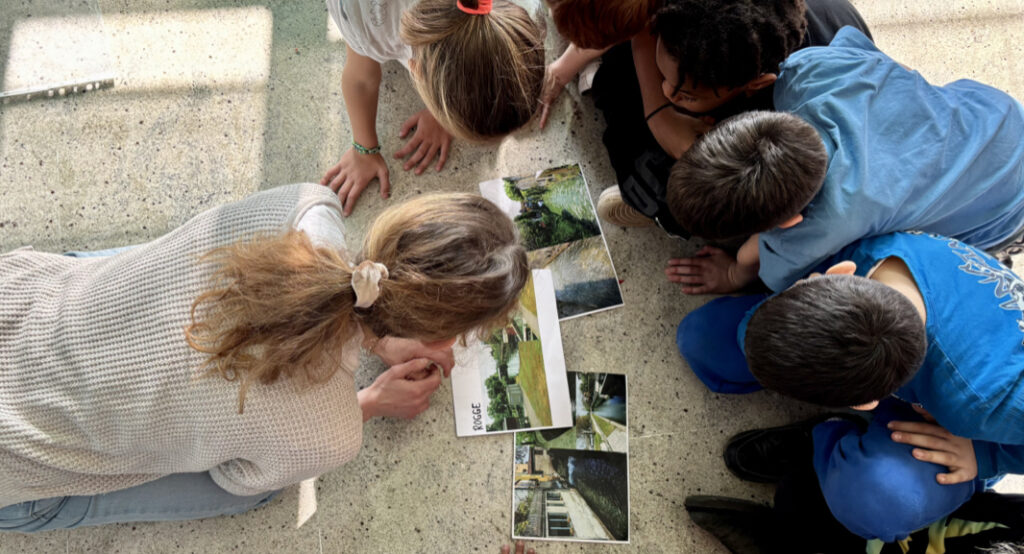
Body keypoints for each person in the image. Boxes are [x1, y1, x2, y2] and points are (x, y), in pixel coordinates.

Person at [0, 183, 528, 531]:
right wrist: (361, 405)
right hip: (20, 471)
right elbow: (234, 478)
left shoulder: (310, 205)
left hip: (23, 296)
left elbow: (312, 296)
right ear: (439, 337)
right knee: (259, 492)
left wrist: (372, 331)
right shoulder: (333, 434)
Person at [676, 231, 1024, 539]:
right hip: (911, 369)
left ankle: (830, 439)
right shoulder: (862, 250)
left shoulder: (994, 402)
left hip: (957, 421)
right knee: (706, 342)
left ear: (867, 401)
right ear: (837, 274)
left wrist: (985, 455)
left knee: (879, 500)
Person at [665, 26, 1024, 294]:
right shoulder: (804, 72)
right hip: (998, 118)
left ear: (790, 221)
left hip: (1006, 211)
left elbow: (756, 262)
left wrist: (733, 275)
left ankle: (1000, 253)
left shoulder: (823, 225)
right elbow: (856, 42)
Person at [566, 0, 870, 232]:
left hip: (779, 119)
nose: (667, 92)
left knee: (697, 187)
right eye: (664, 75)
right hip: (718, 70)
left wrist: (735, 272)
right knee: (624, 78)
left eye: (686, 95)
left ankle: (659, 212)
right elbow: (643, 27)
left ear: (755, 85)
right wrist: (657, 112)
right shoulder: (687, 30)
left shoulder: (795, 112)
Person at [321, 0, 545, 215]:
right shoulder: (368, 17)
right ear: (416, 71)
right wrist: (364, 150)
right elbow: (361, 80)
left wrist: (443, 108)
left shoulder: (524, 9)